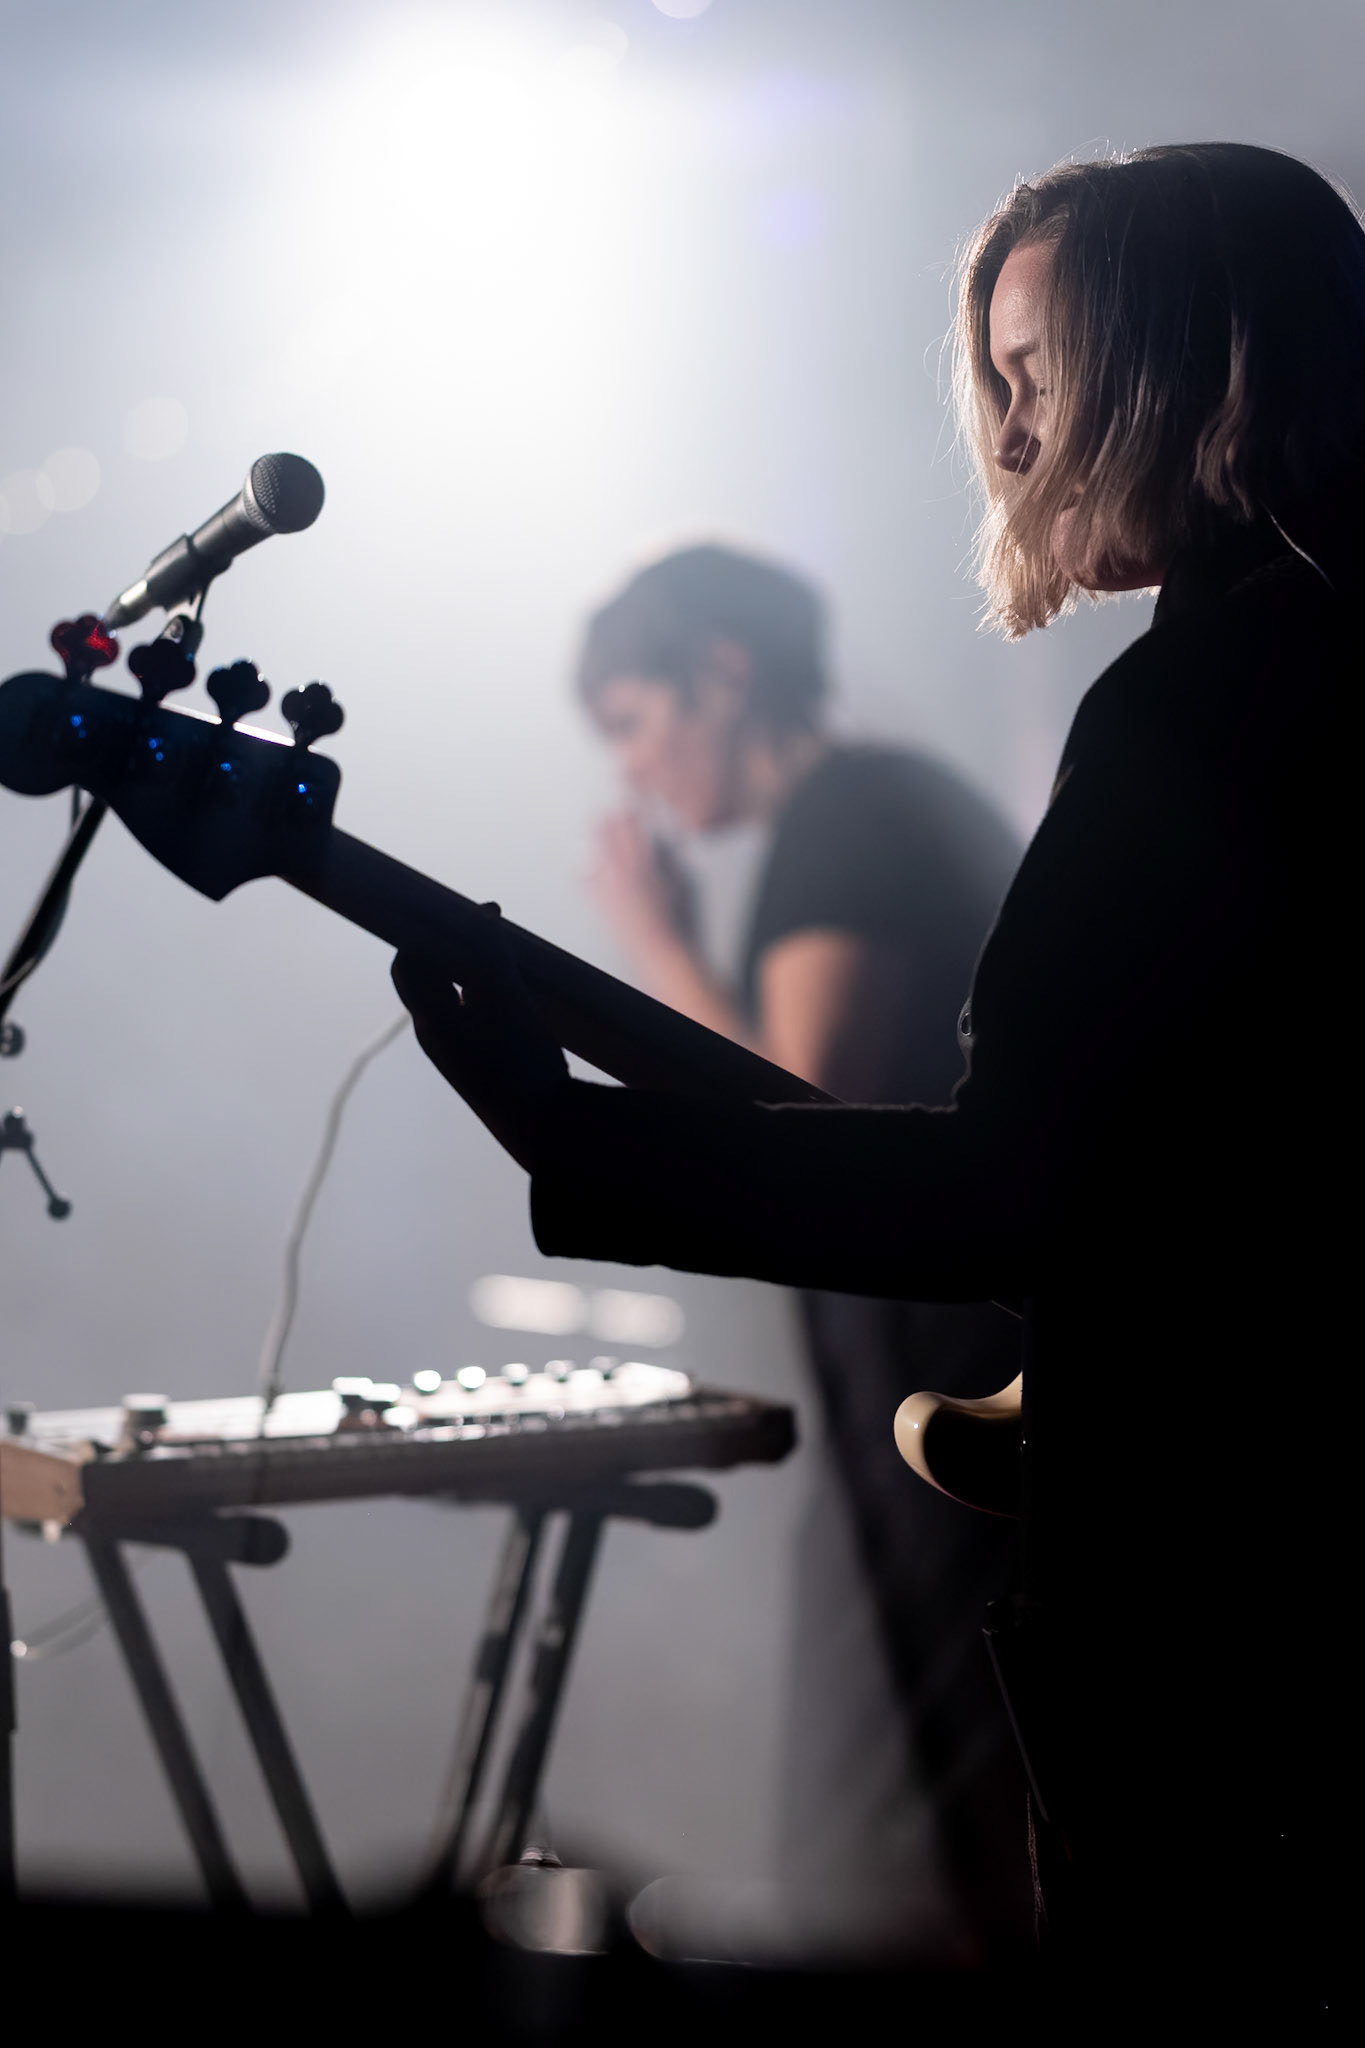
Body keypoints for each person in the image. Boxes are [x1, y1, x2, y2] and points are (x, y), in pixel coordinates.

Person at [395, 144, 1361, 2003]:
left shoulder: (1199, 705)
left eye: (1035, 375)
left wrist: (561, 1127)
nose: (1007, 438)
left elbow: (1008, 1192)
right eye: (990, 384)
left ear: (1187, 365)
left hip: (1216, 1613)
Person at [573, 543, 1030, 1956]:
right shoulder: (892, 799)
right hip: (939, 1386)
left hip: (943, 1406)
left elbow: (799, 1108)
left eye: (636, 725)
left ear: (724, 674)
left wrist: (653, 939)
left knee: (903, 1846)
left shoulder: (843, 813)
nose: (634, 776)